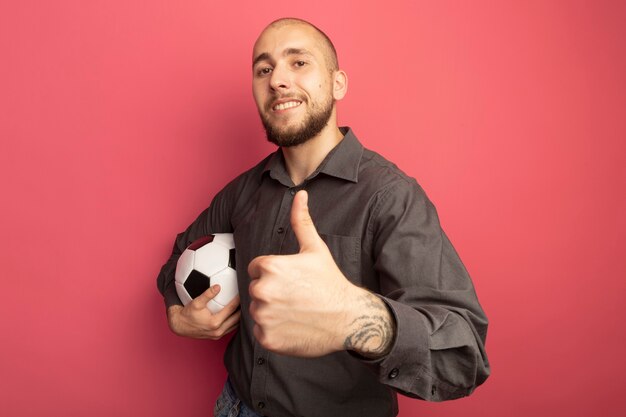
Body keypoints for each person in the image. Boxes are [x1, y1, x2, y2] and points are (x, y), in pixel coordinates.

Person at [157, 17, 490, 417]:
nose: (277, 80)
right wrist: (179, 317)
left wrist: (355, 318)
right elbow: (179, 258)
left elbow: (463, 355)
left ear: (337, 83)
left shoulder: (390, 196)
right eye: (264, 69)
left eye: (298, 63)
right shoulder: (244, 190)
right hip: (234, 406)